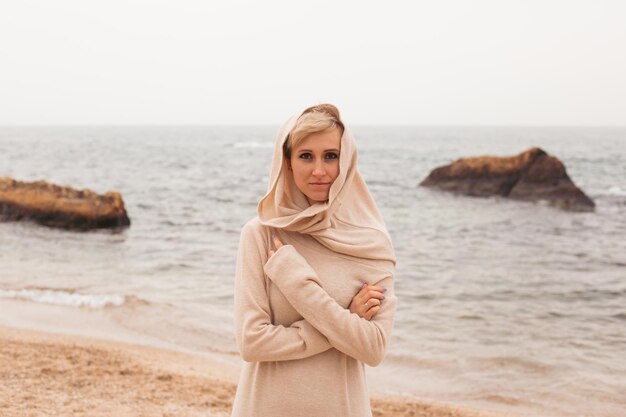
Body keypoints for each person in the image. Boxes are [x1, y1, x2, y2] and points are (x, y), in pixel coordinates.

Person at [231, 104, 397, 417]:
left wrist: (296, 281)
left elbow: (373, 348)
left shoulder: (371, 243)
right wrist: (347, 319)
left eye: (331, 156)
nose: (319, 170)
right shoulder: (262, 235)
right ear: (288, 163)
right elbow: (252, 342)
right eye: (306, 156)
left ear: (346, 161)